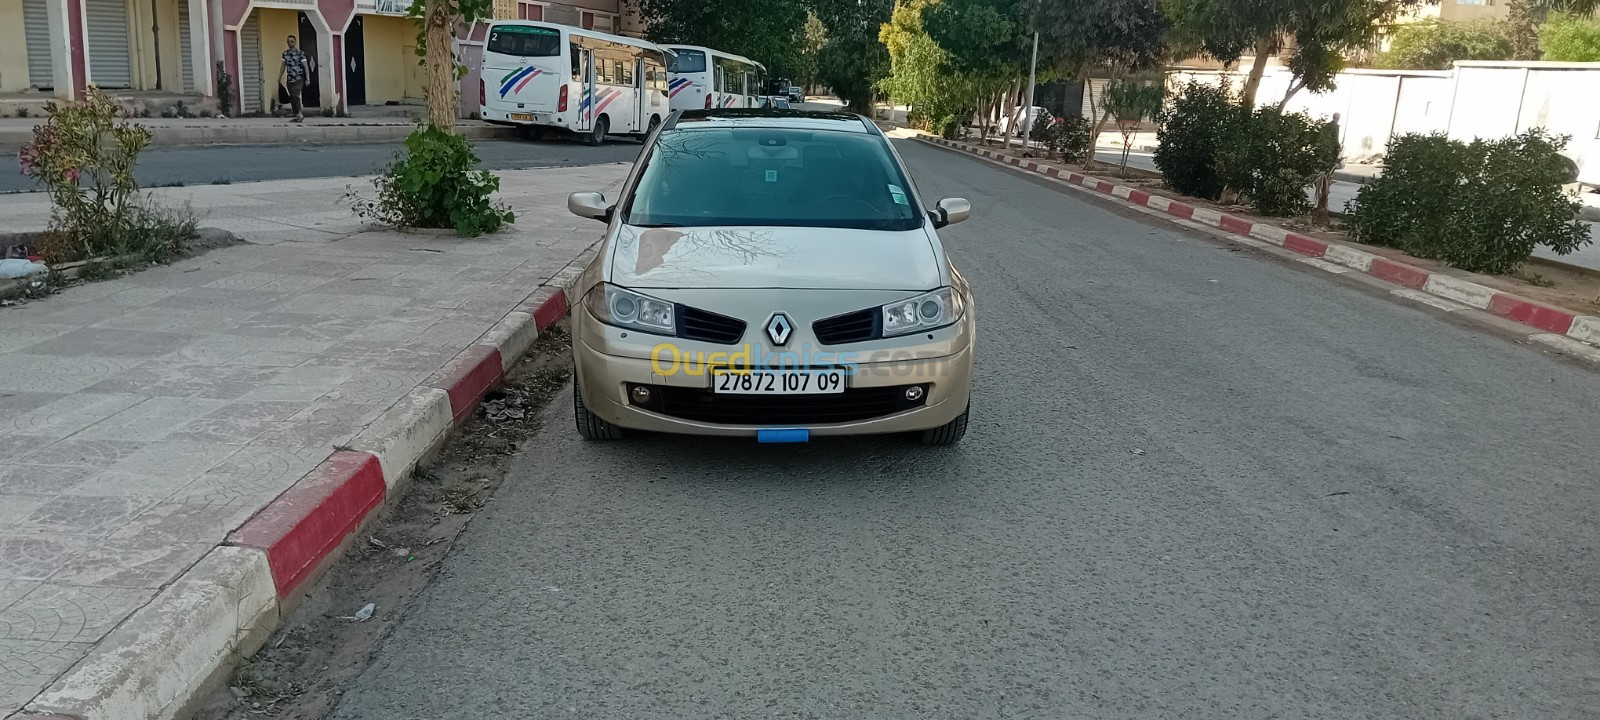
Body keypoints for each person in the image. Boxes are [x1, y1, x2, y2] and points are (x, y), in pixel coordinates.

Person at [279, 35, 310, 123]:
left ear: (295, 42)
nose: (290, 43)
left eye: (292, 41)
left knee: (296, 95)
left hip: (299, 78)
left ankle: (300, 113)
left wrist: (307, 78)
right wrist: (279, 77)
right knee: (292, 97)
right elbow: (283, 66)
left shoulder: (300, 53)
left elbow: (305, 66)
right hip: (290, 79)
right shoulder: (285, 54)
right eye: (288, 41)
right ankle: (297, 114)